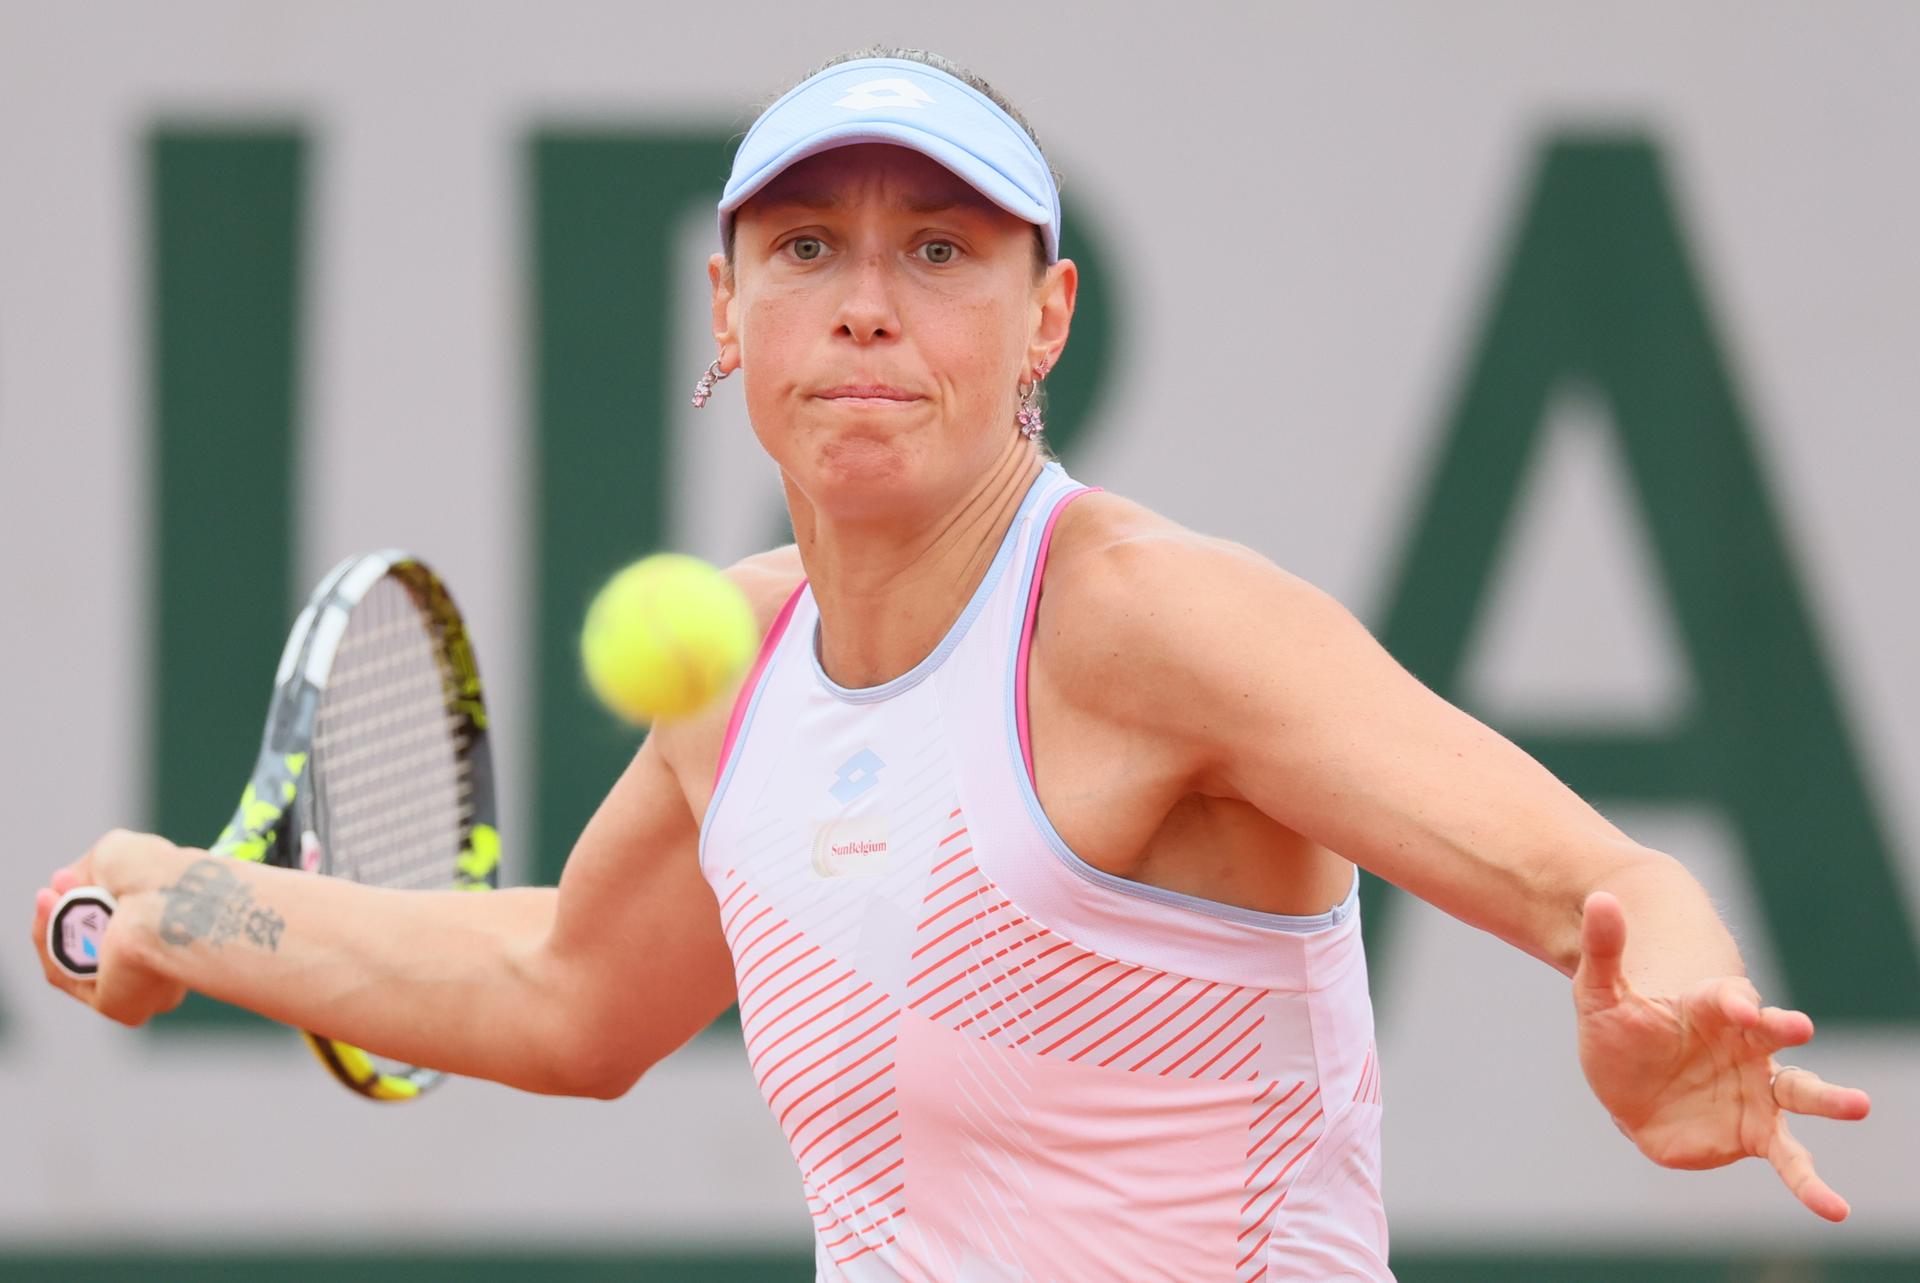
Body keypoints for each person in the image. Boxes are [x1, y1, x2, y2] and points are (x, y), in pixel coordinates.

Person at [33, 46, 1872, 1283]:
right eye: (808, 247)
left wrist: (1667, 1020)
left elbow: (1606, 886)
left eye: (940, 251)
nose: (864, 302)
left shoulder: (1154, 622)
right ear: (728, 313)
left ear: (1045, 317)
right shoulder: (740, 667)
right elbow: (567, 992)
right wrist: (198, 912)